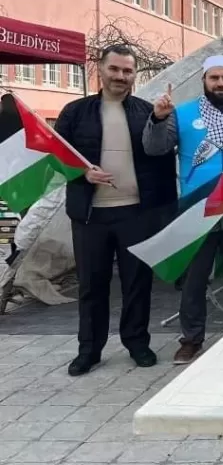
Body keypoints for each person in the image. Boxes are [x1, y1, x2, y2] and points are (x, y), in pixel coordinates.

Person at [55, 45, 177, 376]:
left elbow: (161, 156)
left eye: (127, 71)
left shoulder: (146, 111)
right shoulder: (75, 112)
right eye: (115, 69)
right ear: (101, 68)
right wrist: (83, 173)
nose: (121, 76)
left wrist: (160, 119)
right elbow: (57, 155)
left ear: (134, 74)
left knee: (137, 283)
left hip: (136, 213)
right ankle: (89, 350)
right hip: (90, 214)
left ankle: (137, 343)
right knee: (91, 285)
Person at [144, 55, 223, 364]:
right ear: (204, 81)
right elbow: (155, 148)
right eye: (214, 78)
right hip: (196, 210)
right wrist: (157, 119)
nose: (221, 83)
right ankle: (191, 339)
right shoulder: (180, 114)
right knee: (193, 281)